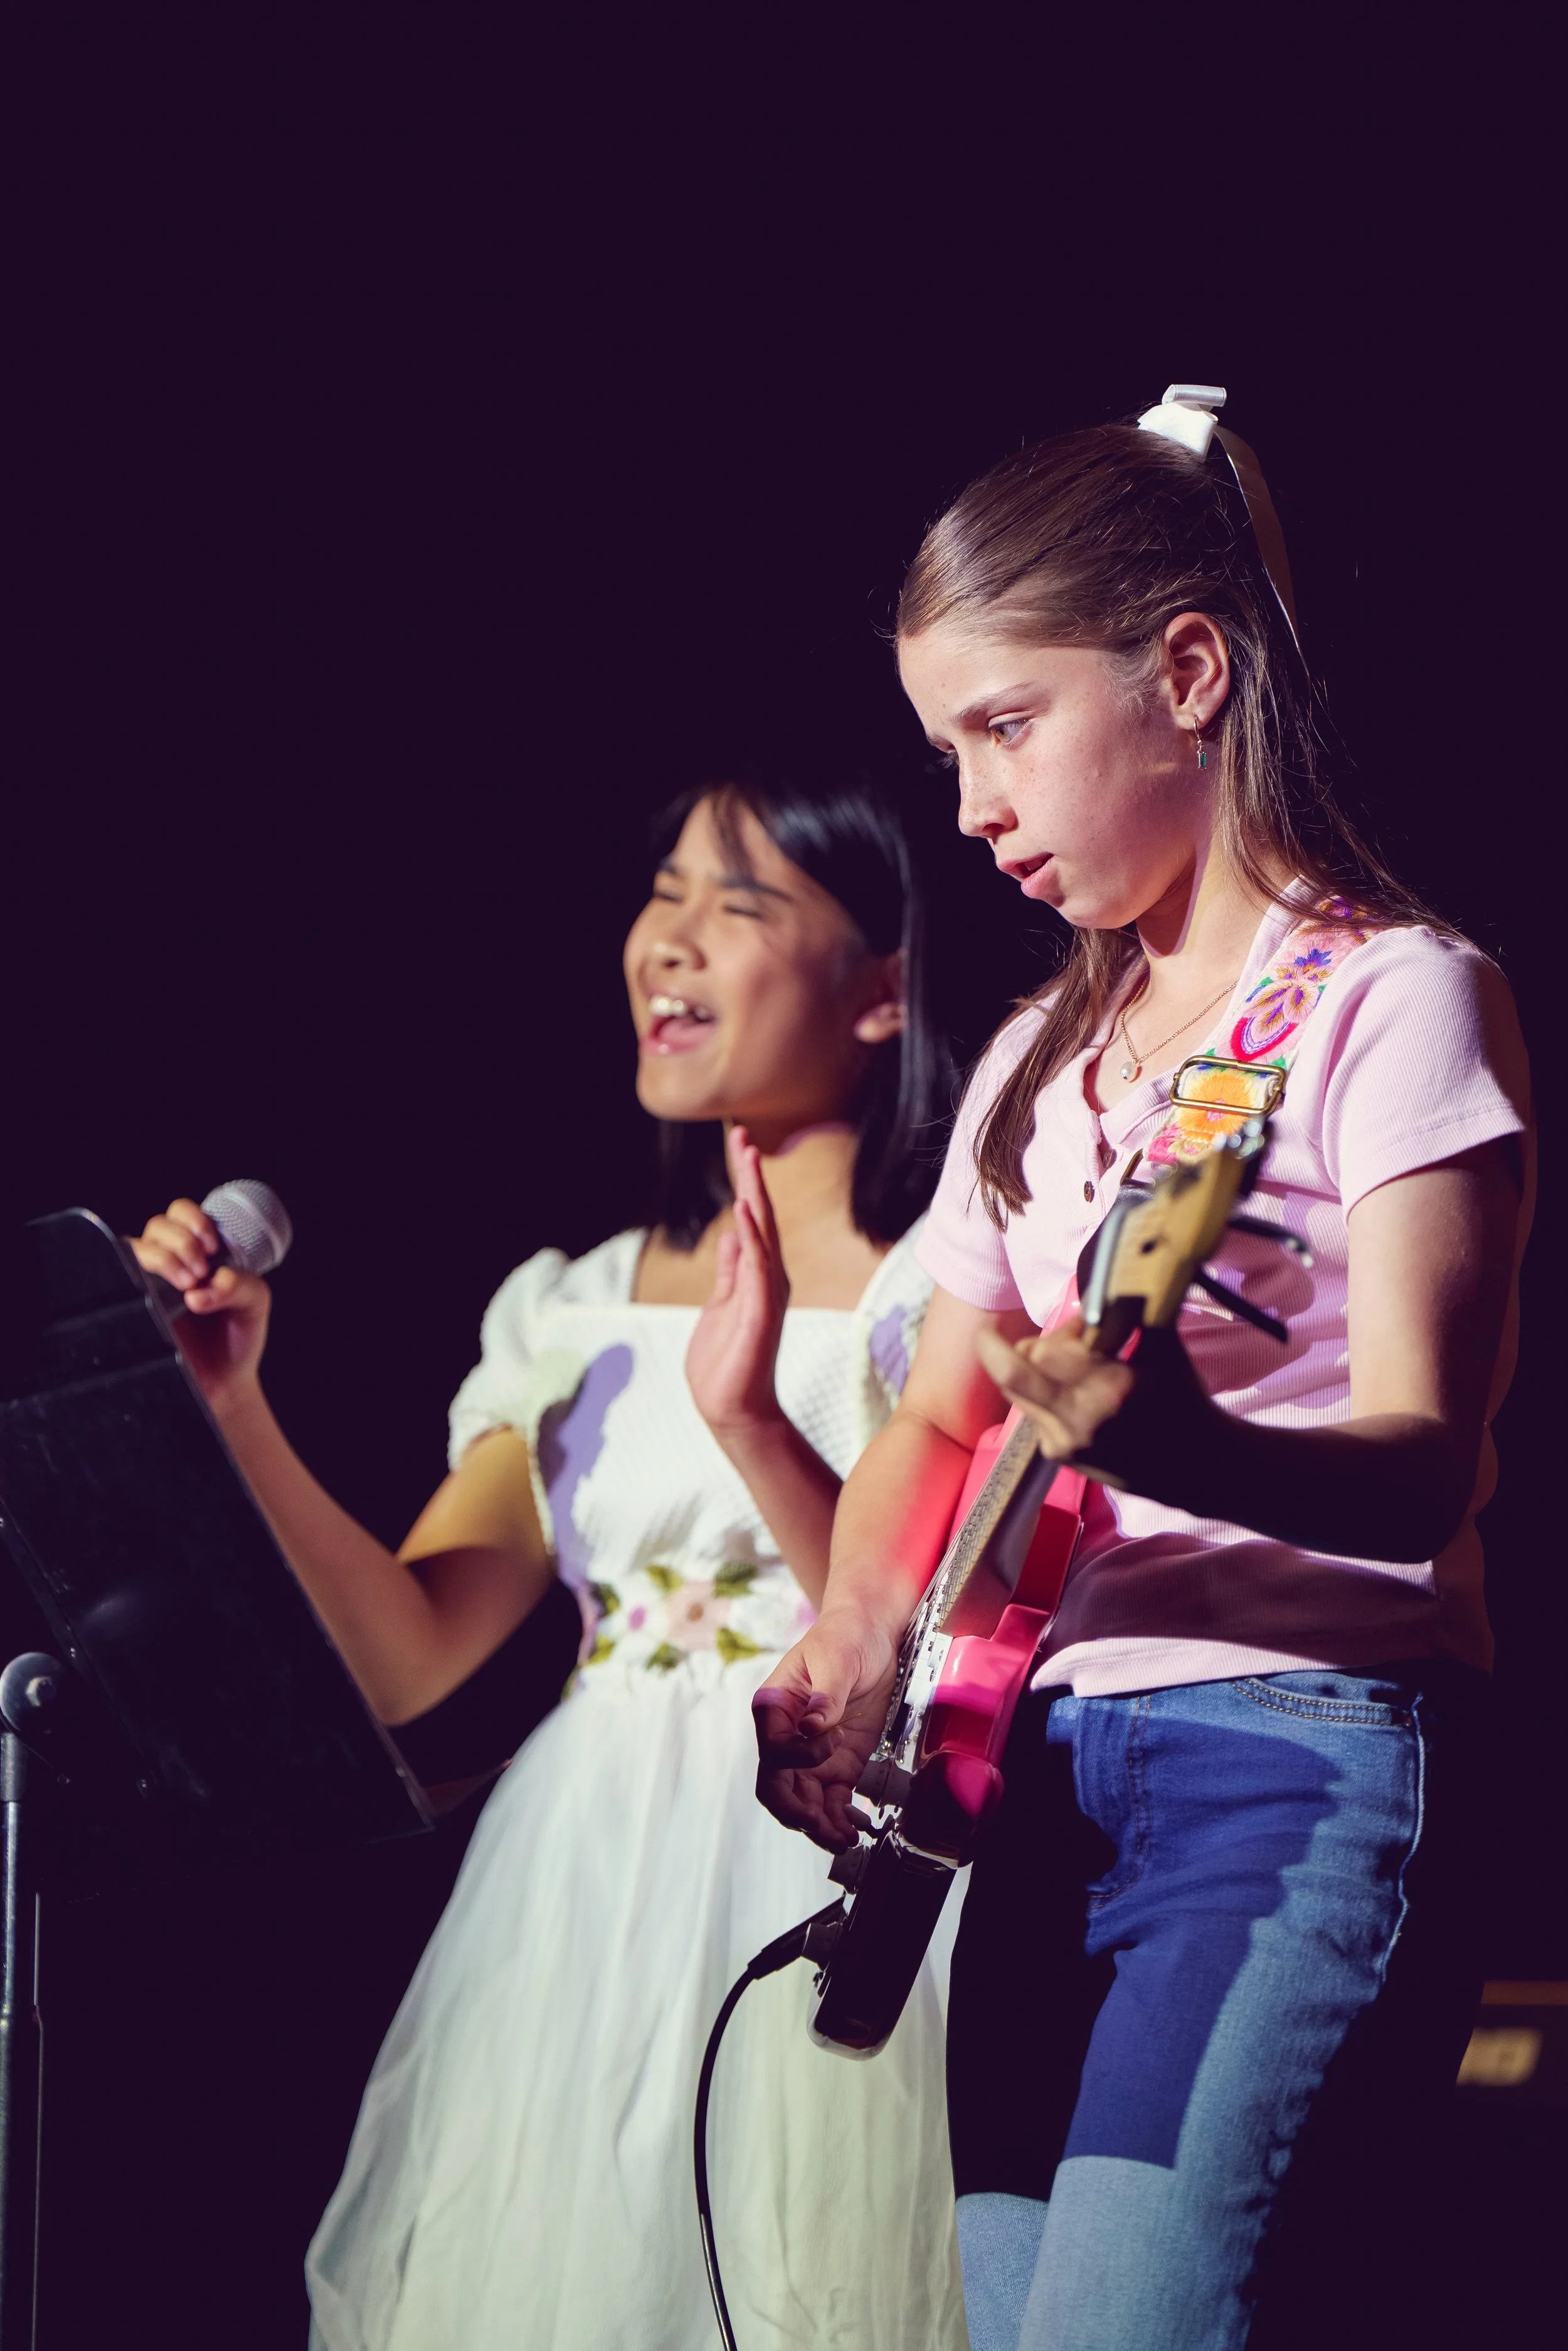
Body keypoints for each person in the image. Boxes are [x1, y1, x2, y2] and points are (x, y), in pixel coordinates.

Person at [755, 405, 1534, 2351]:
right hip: (1025, 1786)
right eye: (944, 750)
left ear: (1186, 672)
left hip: (1287, 1747)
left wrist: (1185, 1442)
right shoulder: (1032, 1063)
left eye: (1003, 727)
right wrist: (853, 1636)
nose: (967, 807)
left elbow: (1424, 1467)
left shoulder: (1390, 995)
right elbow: (938, 1416)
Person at [131, 770, 970, 2350]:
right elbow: (410, 1649)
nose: (673, 942)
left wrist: (745, 1416)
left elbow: (918, 1642)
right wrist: (234, 1410)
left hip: (809, 1856)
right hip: (575, 1889)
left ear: (880, 989)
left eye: (741, 904)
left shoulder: (940, 1293)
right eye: (664, 893)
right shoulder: (570, 1307)